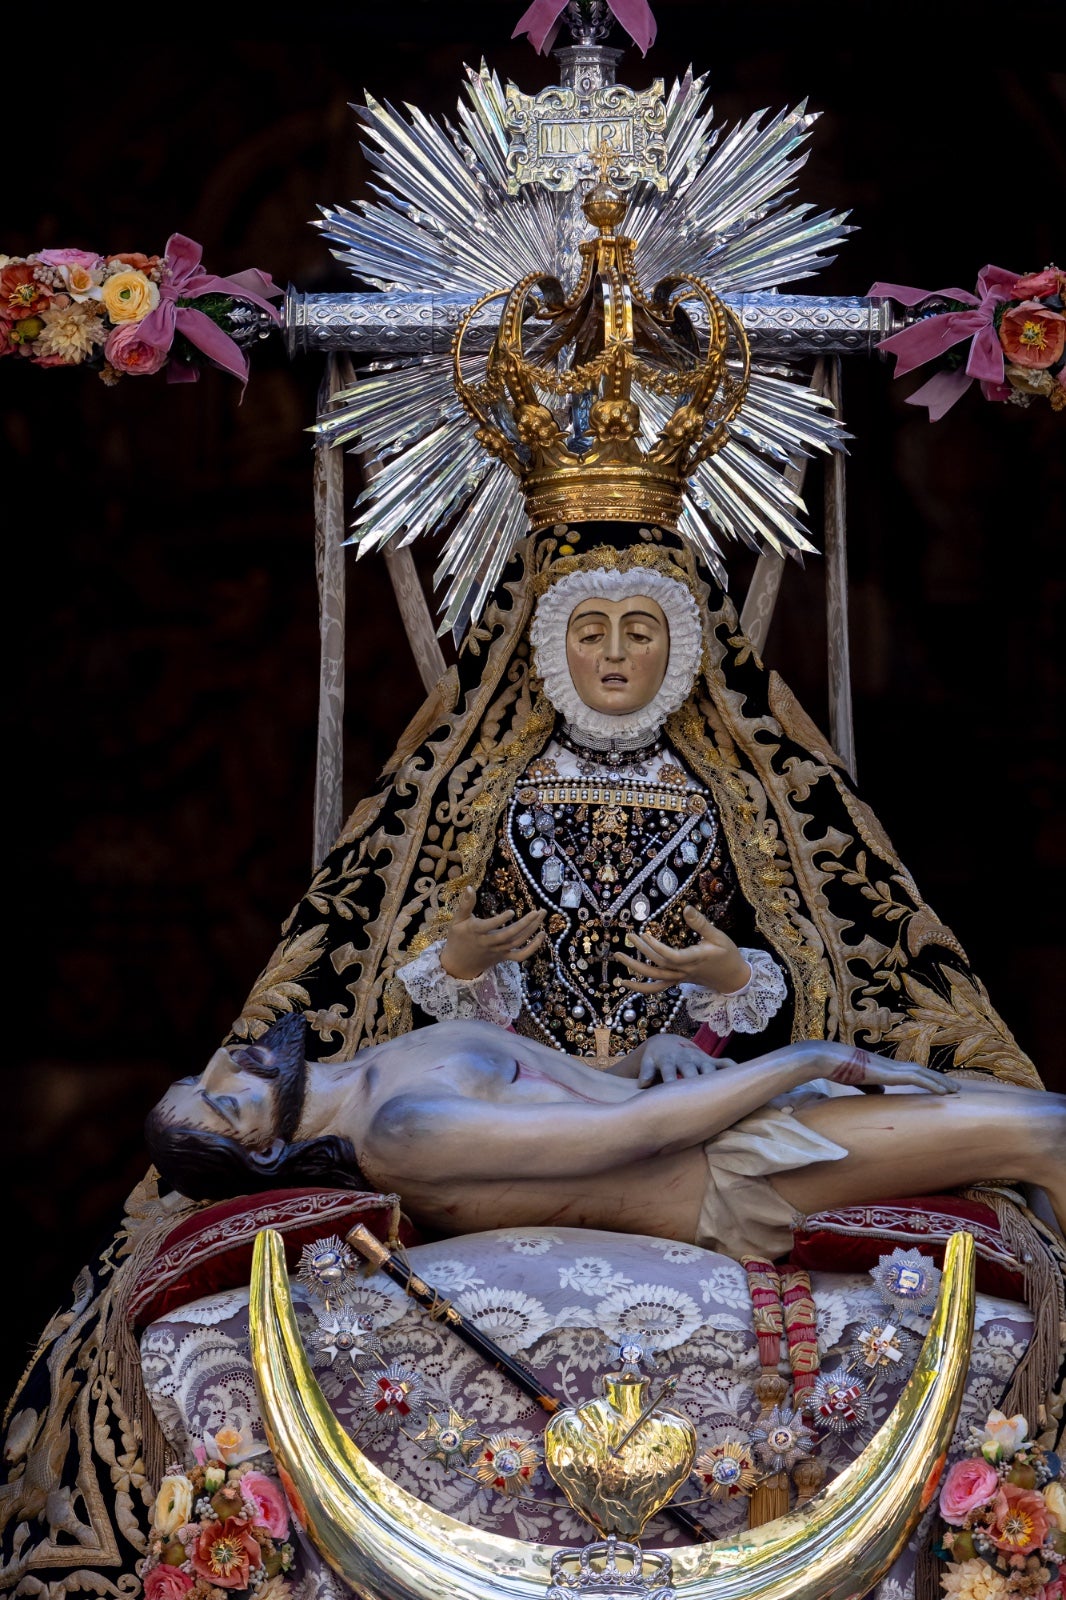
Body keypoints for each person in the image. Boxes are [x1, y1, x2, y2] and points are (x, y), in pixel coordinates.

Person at [144, 1009, 1066, 1262]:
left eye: (201, 1078)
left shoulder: (383, 1067)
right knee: (1050, 1134)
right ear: (263, 1152)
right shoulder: (402, 1128)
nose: (229, 1065)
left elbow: (581, 1093)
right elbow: (635, 1134)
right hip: (735, 1172)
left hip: (736, 1125)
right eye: (226, 1106)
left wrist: (639, 1055)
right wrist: (813, 1059)